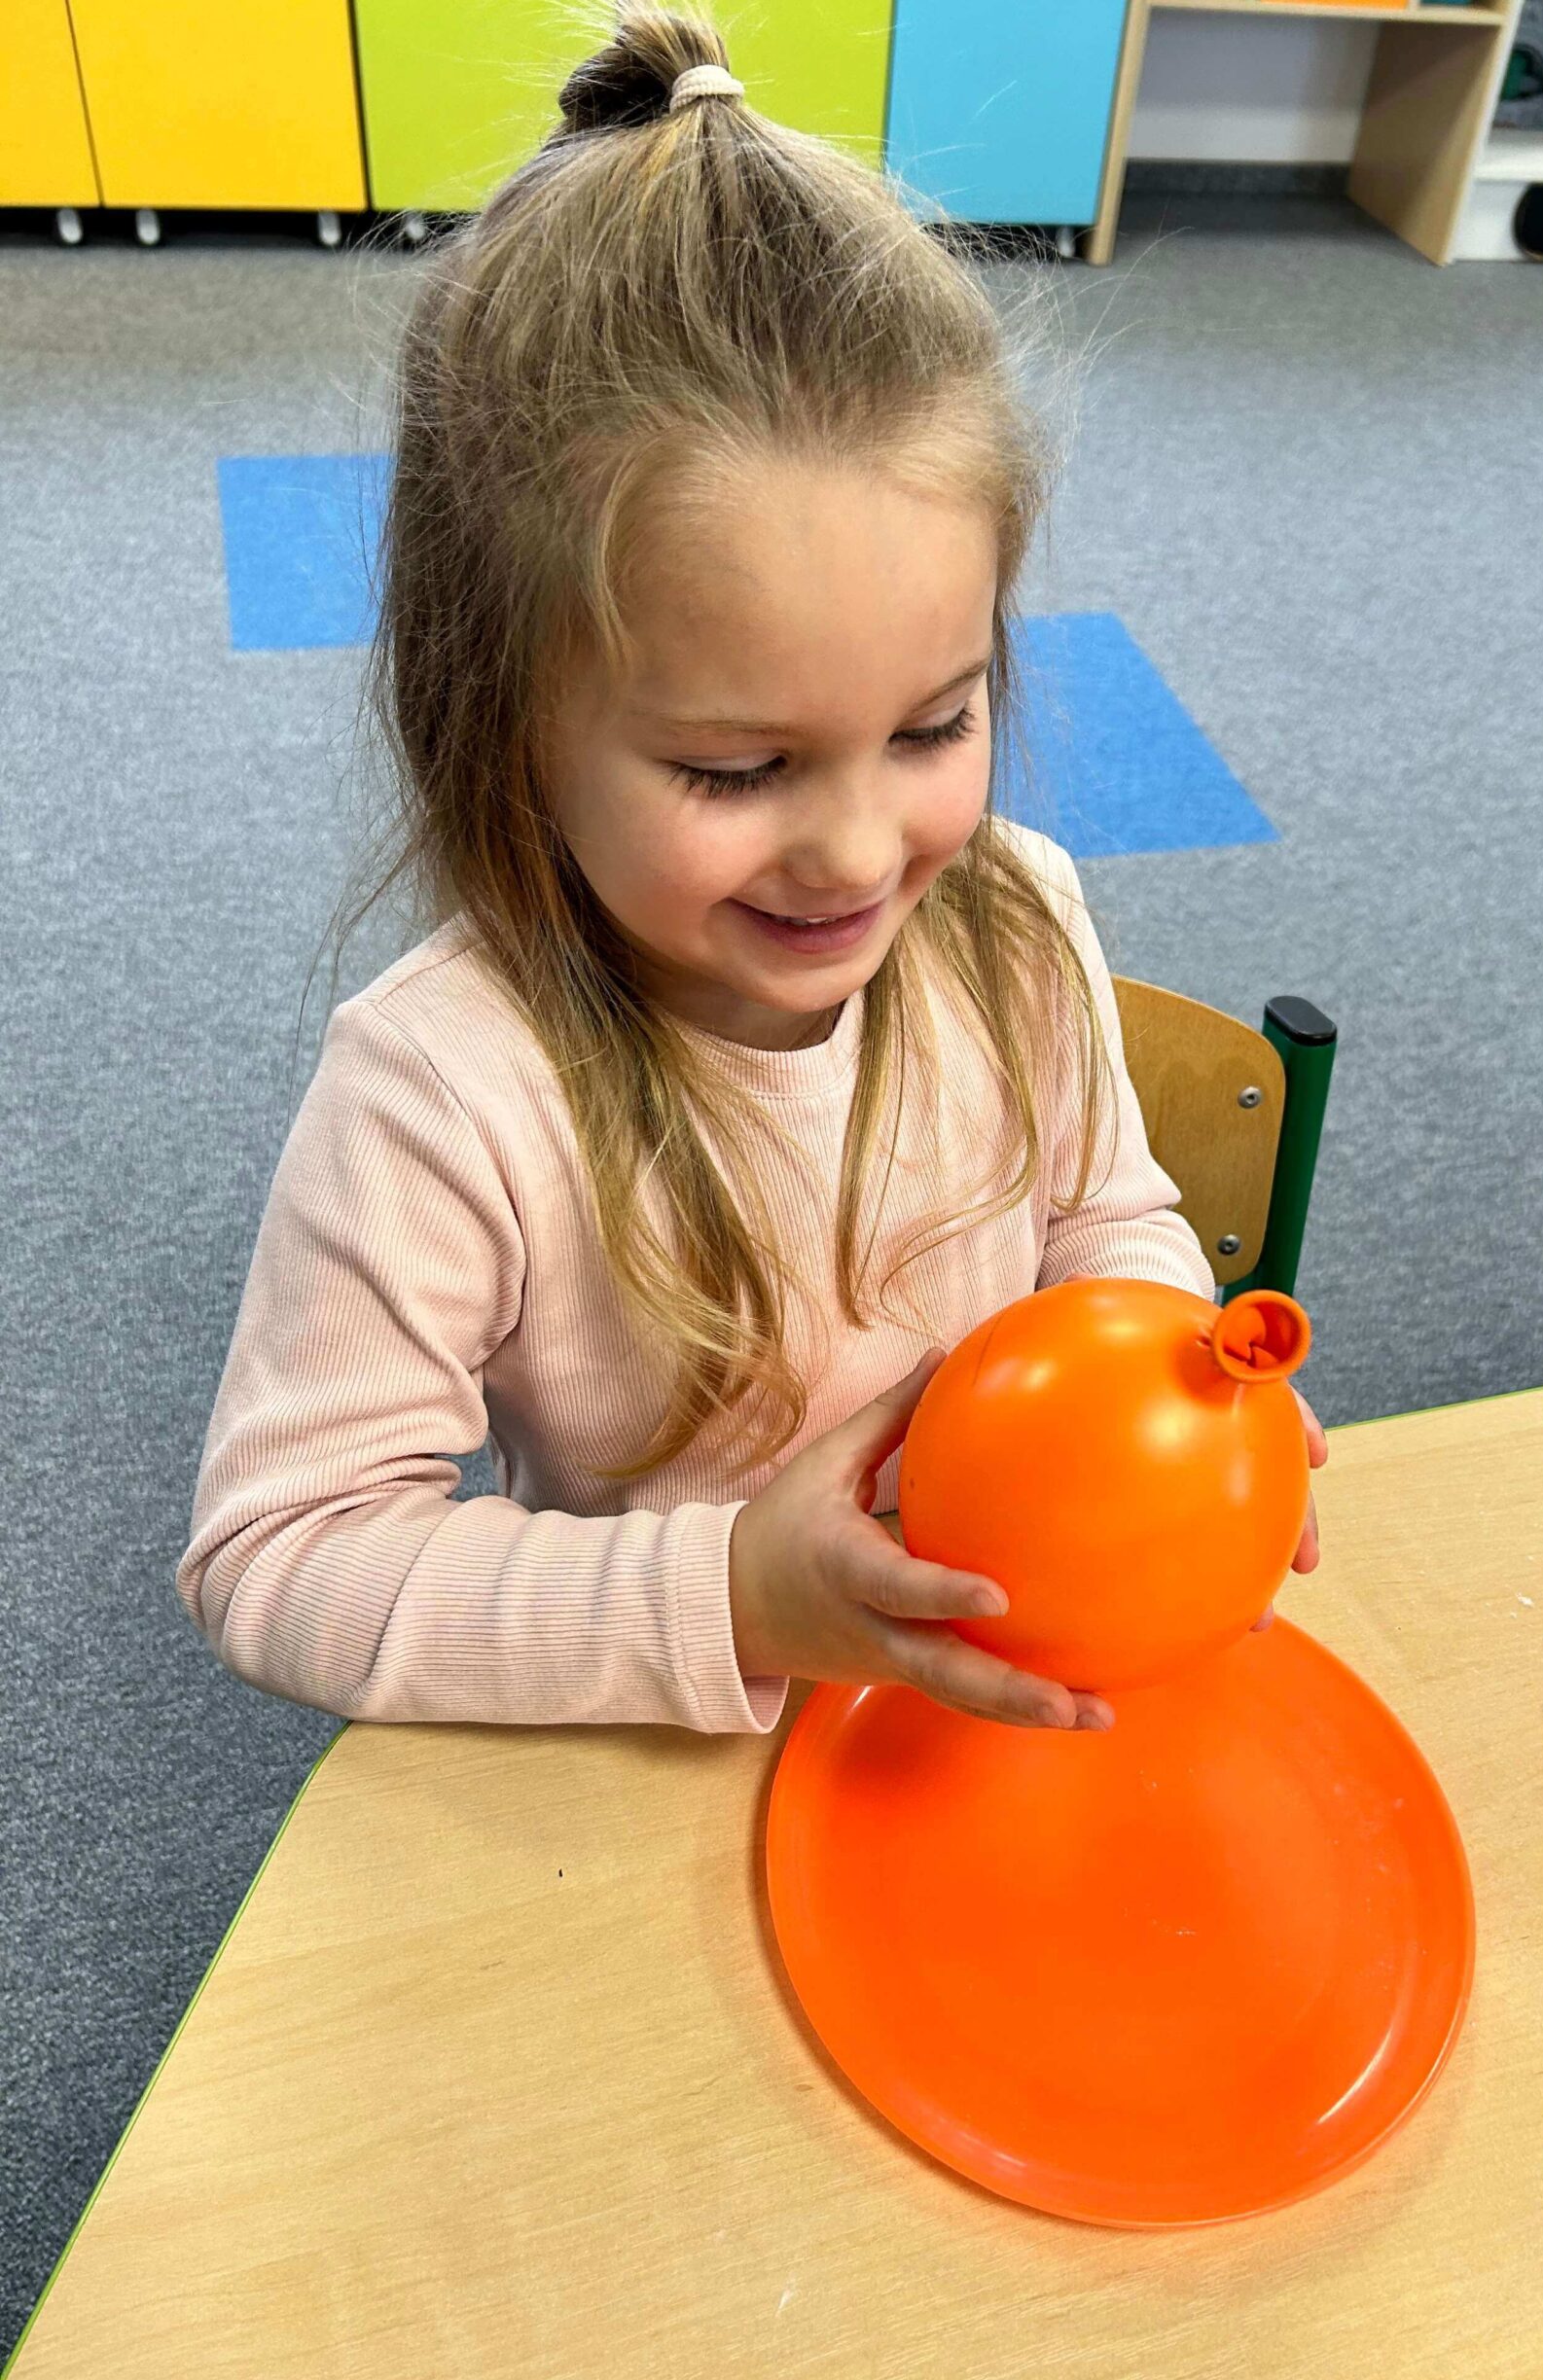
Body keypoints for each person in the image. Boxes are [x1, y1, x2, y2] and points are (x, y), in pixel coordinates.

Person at [177, 8, 1324, 1740]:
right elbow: (281, 1554)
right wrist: (730, 1595)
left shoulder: (1016, 921)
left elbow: (1107, 1218)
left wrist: (1174, 1386)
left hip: (1005, 1696)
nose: (859, 851)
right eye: (734, 770)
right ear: (500, 722)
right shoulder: (443, 1093)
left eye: (933, 726)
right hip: (675, 1738)